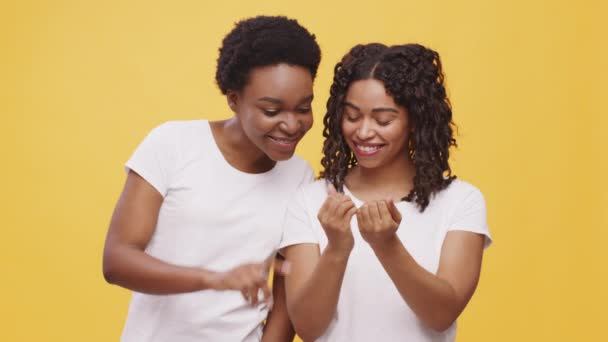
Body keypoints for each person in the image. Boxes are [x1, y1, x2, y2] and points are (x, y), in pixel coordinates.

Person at [102, 16, 321, 342]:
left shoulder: (299, 176)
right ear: (234, 100)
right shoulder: (173, 144)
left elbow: (284, 293)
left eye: (303, 108)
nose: (292, 125)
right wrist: (212, 279)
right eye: (272, 111)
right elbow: (117, 260)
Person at [279, 43, 492, 341]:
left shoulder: (460, 201)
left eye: (383, 120)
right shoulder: (311, 200)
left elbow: (442, 314)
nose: (364, 132)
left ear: (415, 120)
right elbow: (308, 328)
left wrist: (386, 245)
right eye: (352, 116)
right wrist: (337, 248)